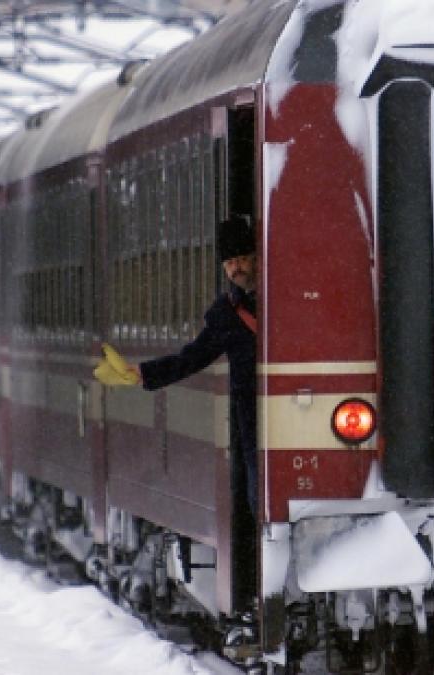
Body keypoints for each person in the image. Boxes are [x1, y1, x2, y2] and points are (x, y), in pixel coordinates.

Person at [95, 214, 258, 603]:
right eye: (229, 261)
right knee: (254, 501)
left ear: (257, 257)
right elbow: (193, 356)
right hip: (252, 425)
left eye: (242, 258)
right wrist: (143, 374)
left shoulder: (289, 300)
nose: (235, 267)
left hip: (286, 418)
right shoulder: (226, 315)